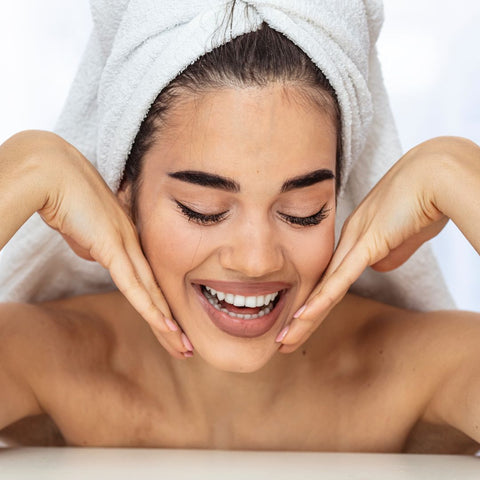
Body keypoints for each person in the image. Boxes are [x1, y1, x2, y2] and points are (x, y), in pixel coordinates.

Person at [1, 2, 480, 453]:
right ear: (122, 194)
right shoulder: (40, 357)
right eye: (202, 208)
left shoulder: (425, 369)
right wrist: (24, 169)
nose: (256, 259)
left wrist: (458, 170)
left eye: (303, 210)